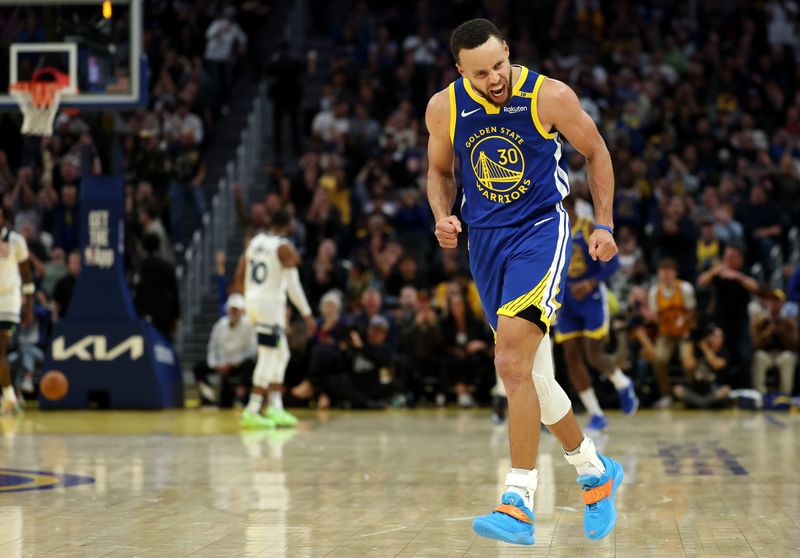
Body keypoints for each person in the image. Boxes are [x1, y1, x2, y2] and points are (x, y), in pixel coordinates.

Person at [426, 19, 623, 545]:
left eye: (499, 65)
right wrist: (442, 214)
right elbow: (440, 173)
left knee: (510, 363)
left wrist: (603, 223)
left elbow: (596, 151)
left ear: (508, 51)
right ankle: (594, 473)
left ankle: (518, 500)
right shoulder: (444, 107)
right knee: (528, 378)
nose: (495, 79)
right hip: (485, 243)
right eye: (482, 72)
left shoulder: (549, 96)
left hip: (540, 232)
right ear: (460, 71)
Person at [554, 196, 638, 430]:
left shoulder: (587, 227)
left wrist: (590, 284)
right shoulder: (551, 230)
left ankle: (622, 383)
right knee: (571, 357)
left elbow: (613, 264)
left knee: (593, 354)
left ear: (568, 206)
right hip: (566, 300)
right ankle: (596, 413)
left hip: (591, 297)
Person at [235, 209, 316, 429]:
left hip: (254, 302)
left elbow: (240, 273)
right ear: (289, 226)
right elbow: (293, 284)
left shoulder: (255, 242)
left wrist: (248, 297)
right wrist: (307, 313)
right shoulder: (283, 247)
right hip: (269, 306)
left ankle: (275, 407)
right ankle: (252, 409)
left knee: (282, 354)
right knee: (268, 355)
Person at [648, 258, 696, 408]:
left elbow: (693, 312)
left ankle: (692, 393)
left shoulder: (685, 288)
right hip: (666, 333)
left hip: (684, 333)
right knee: (659, 358)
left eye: (669, 271)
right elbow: (655, 316)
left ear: (675, 273)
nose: (666, 275)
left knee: (688, 361)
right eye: (662, 271)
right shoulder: (654, 292)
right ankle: (666, 395)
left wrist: (684, 319)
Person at [195, 293, 257, 407]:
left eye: (236, 309)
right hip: (221, 364)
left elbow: (252, 350)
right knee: (199, 368)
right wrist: (216, 364)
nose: (233, 312)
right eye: (231, 309)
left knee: (250, 364)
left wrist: (232, 363)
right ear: (227, 309)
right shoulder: (220, 325)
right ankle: (208, 395)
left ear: (242, 311)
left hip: (238, 365)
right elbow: (212, 347)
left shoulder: (248, 326)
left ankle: (241, 393)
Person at [0, 208, 34, 415]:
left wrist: (28, 307)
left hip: (8, 301)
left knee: (0, 349)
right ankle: (10, 396)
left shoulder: (16, 241)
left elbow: (27, 277)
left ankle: (10, 398)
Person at [751, 289, 798, 398]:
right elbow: (754, 345)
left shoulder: (788, 322)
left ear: (782, 304)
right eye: (771, 301)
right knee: (759, 357)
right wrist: (768, 333)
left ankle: (784, 396)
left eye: (777, 301)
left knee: (789, 357)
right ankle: (760, 395)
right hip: (766, 355)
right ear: (767, 303)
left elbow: (795, 345)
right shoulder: (760, 321)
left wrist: (782, 332)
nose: (774, 304)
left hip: (782, 354)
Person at [133, 234, 180, 341]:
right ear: (158, 246)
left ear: (144, 247)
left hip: (144, 317)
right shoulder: (167, 266)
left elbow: (137, 291)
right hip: (164, 317)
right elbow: (174, 292)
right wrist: (175, 317)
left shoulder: (141, 267)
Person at [673, 324, 731, 409]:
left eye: (715, 336)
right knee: (678, 390)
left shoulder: (724, 353)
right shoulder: (698, 350)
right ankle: (704, 403)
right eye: (710, 335)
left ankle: (700, 403)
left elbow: (716, 365)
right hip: (697, 390)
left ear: (721, 339)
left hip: (713, 390)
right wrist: (689, 342)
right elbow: (688, 366)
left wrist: (705, 348)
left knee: (725, 390)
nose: (711, 338)